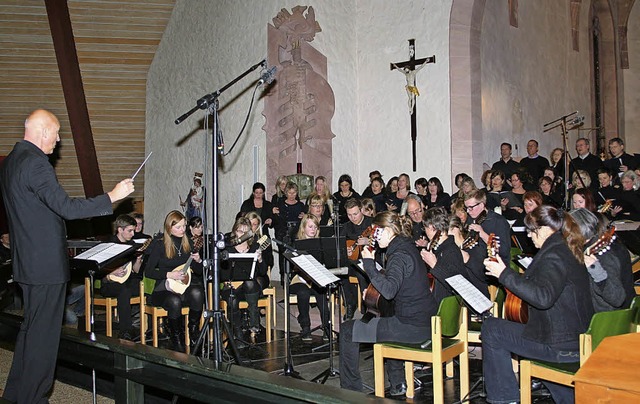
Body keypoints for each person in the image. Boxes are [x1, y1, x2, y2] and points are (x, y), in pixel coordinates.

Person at [0, 109, 134, 403]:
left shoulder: (12, 161)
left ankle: (16, 394)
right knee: (44, 339)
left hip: (28, 263)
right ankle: (33, 398)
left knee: (30, 331)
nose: (59, 140)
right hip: (44, 266)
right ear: (44, 131)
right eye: (57, 133)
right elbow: (68, 208)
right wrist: (112, 196)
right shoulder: (36, 164)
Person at [482, 206, 594, 404]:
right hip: (575, 339)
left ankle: (504, 399)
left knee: (492, 328)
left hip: (560, 344)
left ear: (544, 229)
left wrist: (504, 274)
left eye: (530, 230)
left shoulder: (554, 255)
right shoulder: (565, 248)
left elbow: (543, 297)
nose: (528, 236)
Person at [339, 211, 438, 395]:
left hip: (413, 328)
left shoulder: (399, 255)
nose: (374, 237)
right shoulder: (407, 247)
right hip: (424, 321)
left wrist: (369, 264)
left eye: (377, 232)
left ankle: (350, 393)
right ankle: (398, 383)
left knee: (347, 330)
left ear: (389, 230)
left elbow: (389, 291)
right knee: (388, 317)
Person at [145, 210, 204, 352]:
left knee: (197, 292)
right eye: (178, 227)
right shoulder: (160, 245)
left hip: (182, 287)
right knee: (174, 301)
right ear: (169, 228)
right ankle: (176, 337)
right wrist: (169, 275)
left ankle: (194, 330)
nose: (182, 230)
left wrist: (198, 260)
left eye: (184, 226)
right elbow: (149, 271)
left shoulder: (188, 242)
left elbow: (198, 270)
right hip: (163, 290)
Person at [569, 208, 634, 312]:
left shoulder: (604, 256)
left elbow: (618, 298)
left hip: (604, 318)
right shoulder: (587, 248)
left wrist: (597, 271)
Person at [220, 217, 268, 341]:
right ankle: (238, 331)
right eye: (240, 231)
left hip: (248, 289)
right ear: (235, 232)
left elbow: (262, 272)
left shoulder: (254, 247)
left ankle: (254, 322)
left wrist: (260, 259)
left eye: (246, 232)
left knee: (250, 282)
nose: (243, 235)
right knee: (232, 300)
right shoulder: (228, 249)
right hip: (231, 288)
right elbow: (222, 273)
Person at [100, 214, 144, 340]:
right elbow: (98, 270)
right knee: (124, 291)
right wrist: (111, 273)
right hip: (108, 283)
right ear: (120, 230)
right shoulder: (108, 244)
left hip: (127, 281)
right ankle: (125, 331)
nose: (132, 234)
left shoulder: (132, 244)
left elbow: (135, 270)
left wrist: (138, 260)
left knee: (143, 288)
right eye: (130, 231)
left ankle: (147, 328)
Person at [291, 214, 330, 341]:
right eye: (310, 226)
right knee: (303, 292)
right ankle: (305, 326)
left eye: (315, 227)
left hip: (316, 278)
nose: (313, 229)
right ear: (303, 228)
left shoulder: (321, 244)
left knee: (321, 292)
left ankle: (327, 327)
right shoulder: (297, 244)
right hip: (299, 279)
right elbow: (294, 267)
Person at [420, 207, 468, 304]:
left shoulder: (451, 250)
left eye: (425, 228)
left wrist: (434, 264)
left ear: (431, 227)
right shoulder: (439, 248)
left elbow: (456, 284)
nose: (425, 231)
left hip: (446, 306)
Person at [342, 198, 374, 320]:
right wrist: (346, 250)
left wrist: (369, 241)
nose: (353, 218)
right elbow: (340, 245)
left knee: (362, 275)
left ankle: (368, 307)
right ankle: (350, 304)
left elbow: (382, 241)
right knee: (341, 273)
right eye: (349, 215)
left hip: (368, 261)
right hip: (351, 262)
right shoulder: (346, 227)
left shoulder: (371, 223)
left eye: (355, 214)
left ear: (361, 210)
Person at [464, 189, 511, 266]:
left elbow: (504, 251)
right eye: (466, 208)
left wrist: (483, 234)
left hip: (495, 265)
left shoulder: (498, 221)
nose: (468, 211)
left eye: (471, 207)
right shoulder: (470, 219)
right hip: (475, 264)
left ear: (482, 205)